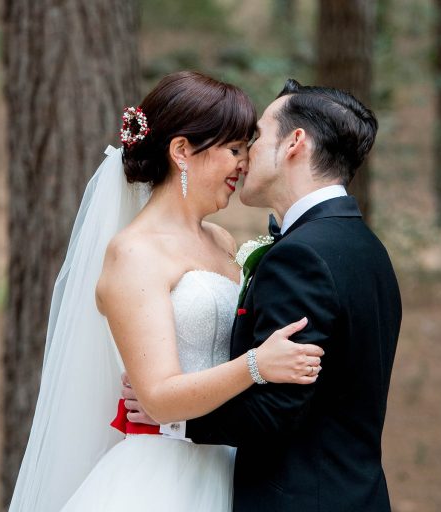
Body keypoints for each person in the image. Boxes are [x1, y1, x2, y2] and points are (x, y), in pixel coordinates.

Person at [8, 71, 324, 512]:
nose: (244, 163)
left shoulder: (223, 242)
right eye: (233, 149)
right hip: (163, 475)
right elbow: (157, 397)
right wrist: (257, 365)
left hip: (229, 462)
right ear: (181, 151)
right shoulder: (133, 253)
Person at [125, 80, 402, 511]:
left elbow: (277, 408)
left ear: (294, 143)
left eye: (255, 136)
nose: (246, 153)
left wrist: (173, 420)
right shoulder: (365, 246)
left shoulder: (302, 256)